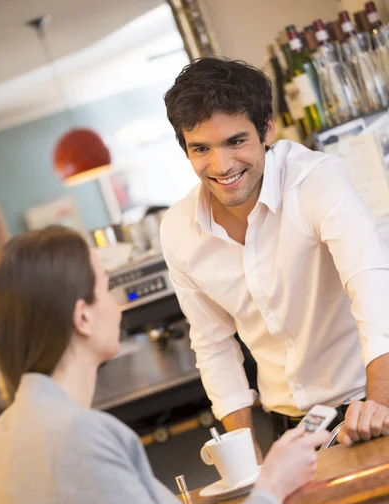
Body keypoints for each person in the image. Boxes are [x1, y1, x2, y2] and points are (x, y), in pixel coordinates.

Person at [0, 226, 328, 504]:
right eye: (105, 287)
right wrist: (272, 488)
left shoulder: (5, 434)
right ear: (82, 317)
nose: (118, 306)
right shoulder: (77, 438)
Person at [161, 57, 389, 460]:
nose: (222, 166)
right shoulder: (179, 229)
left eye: (235, 141)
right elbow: (213, 345)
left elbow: (373, 285)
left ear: (266, 129)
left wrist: (380, 405)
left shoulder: (315, 180)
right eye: (201, 149)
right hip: (290, 426)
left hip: (369, 398)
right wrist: (246, 461)